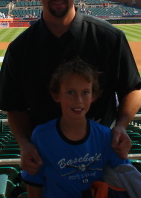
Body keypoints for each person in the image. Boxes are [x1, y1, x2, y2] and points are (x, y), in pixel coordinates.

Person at [0, 0, 141, 175]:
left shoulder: (110, 38)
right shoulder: (19, 49)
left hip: (101, 156)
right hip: (47, 160)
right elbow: (14, 106)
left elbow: (133, 88)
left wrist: (121, 125)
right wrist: (24, 144)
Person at [22, 59, 130, 198]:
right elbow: (34, 184)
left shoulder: (105, 136)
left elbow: (125, 174)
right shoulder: (41, 136)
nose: (78, 100)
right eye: (70, 92)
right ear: (56, 95)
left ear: (93, 96)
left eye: (85, 92)